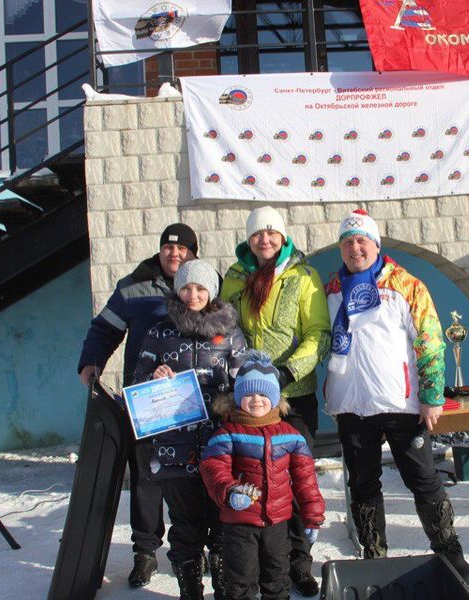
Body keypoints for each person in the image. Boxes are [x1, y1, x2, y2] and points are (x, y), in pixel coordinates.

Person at [323, 209, 469, 585]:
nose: (354, 248)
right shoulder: (331, 290)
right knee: (362, 484)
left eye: (361, 240)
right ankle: (373, 555)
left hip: (401, 403)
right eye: (347, 242)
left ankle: (449, 551)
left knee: (423, 477)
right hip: (351, 405)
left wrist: (430, 395)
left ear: (376, 244)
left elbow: (429, 339)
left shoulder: (406, 284)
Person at [77, 222, 199, 587]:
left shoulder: (202, 284)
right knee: (147, 475)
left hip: (191, 401)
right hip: (147, 398)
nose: (174, 254)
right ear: (160, 250)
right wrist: (90, 362)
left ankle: (194, 546)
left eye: (182, 249)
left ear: (194, 253)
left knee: (192, 476)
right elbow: (105, 328)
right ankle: (145, 552)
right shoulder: (134, 287)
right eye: (168, 247)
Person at [219, 206, 330, 596]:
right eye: (257, 234)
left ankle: (297, 564)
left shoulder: (303, 277)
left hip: (293, 398)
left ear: (284, 237)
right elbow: (224, 331)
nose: (264, 239)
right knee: (249, 479)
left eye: (272, 232)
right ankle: (251, 564)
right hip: (248, 400)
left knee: (294, 481)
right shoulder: (234, 279)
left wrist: (286, 373)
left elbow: (319, 333)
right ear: (248, 239)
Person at [131, 259, 247, 599]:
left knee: (224, 525)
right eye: (185, 287)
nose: (192, 294)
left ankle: (225, 591)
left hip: (221, 448)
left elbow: (244, 385)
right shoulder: (159, 332)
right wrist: (154, 380)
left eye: (200, 287)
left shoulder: (230, 334)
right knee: (185, 528)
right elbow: (137, 382)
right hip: (173, 448)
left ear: (211, 291)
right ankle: (190, 591)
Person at [200, 351, 325, 600]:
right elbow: (214, 468)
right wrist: (229, 491)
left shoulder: (289, 435)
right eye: (248, 394)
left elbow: (305, 479)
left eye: (263, 394)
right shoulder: (227, 434)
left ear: (275, 398)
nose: (256, 400)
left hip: (278, 523)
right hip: (239, 522)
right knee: (240, 579)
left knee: (277, 576)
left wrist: (313, 515)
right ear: (237, 398)